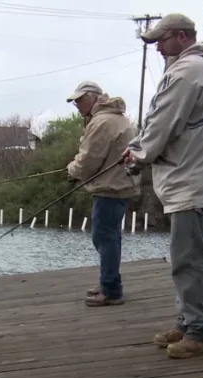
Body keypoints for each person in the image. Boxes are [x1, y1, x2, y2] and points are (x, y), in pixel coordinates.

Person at [123, 13, 203, 359]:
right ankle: (188, 321)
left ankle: (202, 331)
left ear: (183, 37)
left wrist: (139, 152)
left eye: (163, 39)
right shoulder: (200, 68)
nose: (157, 47)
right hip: (198, 178)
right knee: (187, 255)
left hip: (193, 180)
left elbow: (162, 121)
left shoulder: (188, 71)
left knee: (188, 259)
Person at [66, 81, 140, 307]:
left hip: (111, 187)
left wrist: (71, 170)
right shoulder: (116, 118)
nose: (76, 105)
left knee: (104, 236)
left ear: (94, 98)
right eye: (75, 101)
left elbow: (89, 160)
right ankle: (109, 283)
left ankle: (111, 290)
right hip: (120, 185)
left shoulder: (102, 122)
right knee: (110, 236)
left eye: (80, 99)